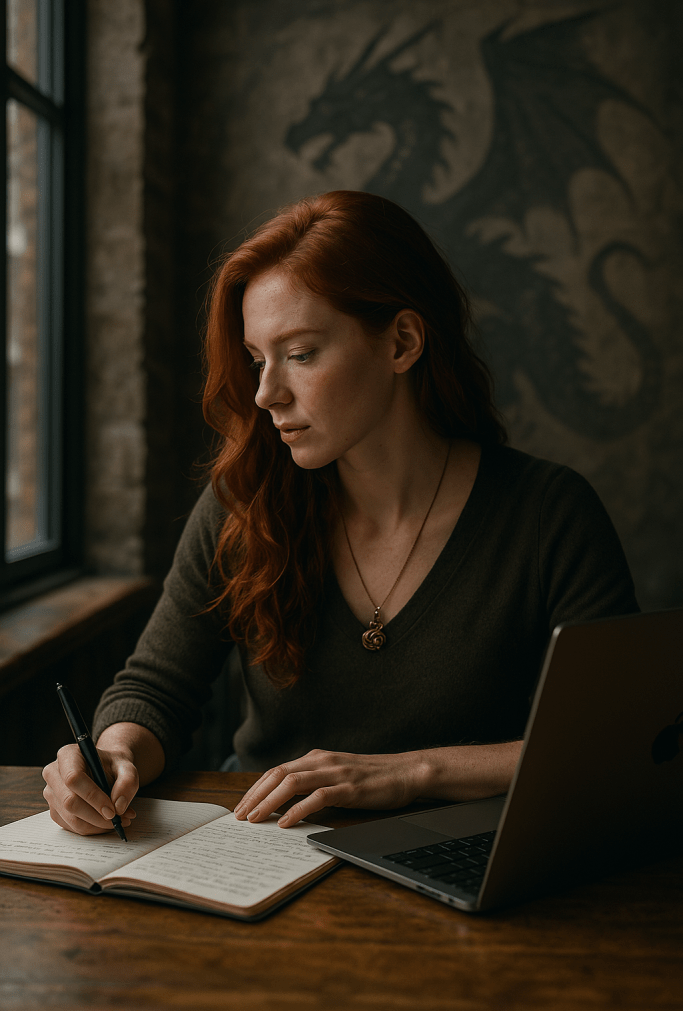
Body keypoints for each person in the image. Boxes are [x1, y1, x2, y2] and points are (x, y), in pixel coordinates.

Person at [42, 191, 639, 836]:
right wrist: (113, 753)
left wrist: (410, 773)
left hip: (463, 860)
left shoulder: (548, 515)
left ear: (403, 342)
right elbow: (156, 690)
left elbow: (618, 743)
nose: (267, 393)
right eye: (257, 360)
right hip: (262, 853)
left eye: (300, 354)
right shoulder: (243, 506)